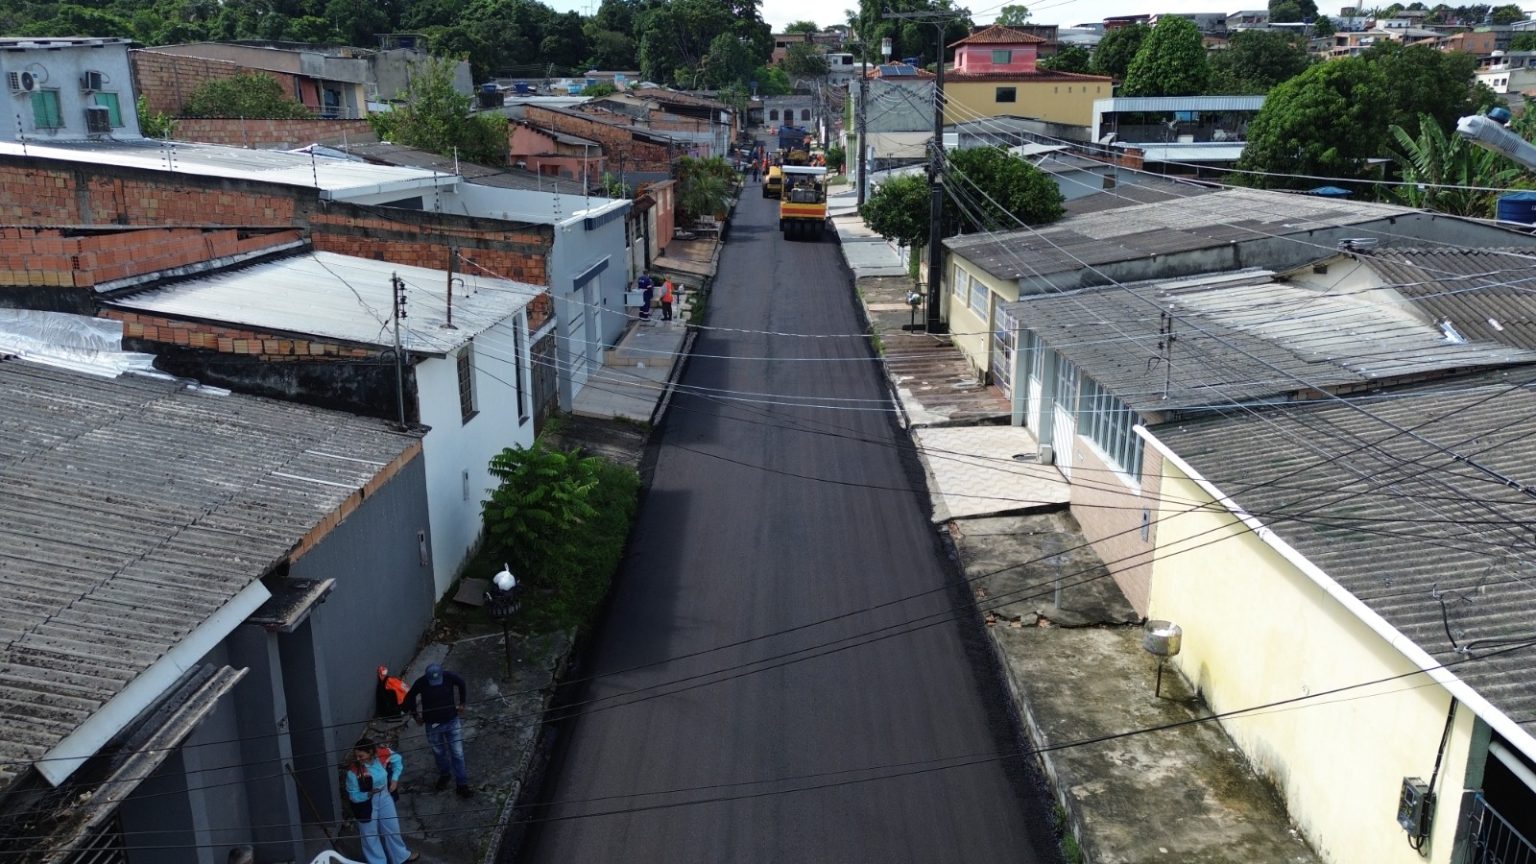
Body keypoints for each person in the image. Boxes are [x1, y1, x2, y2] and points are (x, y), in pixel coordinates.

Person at [345, 739, 418, 864]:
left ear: (371, 752)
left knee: (392, 827)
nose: (357, 759)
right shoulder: (353, 772)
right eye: (356, 755)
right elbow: (353, 795)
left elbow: (397, 760)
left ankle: (401, 857)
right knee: (370, 835)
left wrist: (394, 779)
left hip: (384, 796)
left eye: (361, 756)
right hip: (366, 803)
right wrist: (368, 794)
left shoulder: (382, 754)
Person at [404, 662, 472, 797]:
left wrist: (462, 702)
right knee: (439, 752)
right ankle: (445, 774)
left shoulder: (449, 677)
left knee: (457, 753)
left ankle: (462, 783)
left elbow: (462, 683)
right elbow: (410, 696)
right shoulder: (421, 683)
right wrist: (415, 715)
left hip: (451, 721)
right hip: (433, 724)